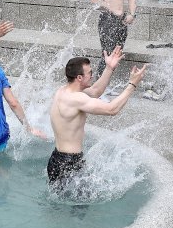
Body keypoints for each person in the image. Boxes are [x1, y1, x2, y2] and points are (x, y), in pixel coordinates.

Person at [48, 48, 147, 186]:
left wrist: (109, 68)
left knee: (60, 205)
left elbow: (95, 91)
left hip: (56, 159)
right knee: (78, 207)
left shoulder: (63, 91)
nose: (92, 76)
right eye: (90, 73)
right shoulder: (77, 99)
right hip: (69, 163)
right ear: (79, 78)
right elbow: (112, 109)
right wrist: (132, 84)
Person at [90, 0, 136, 78]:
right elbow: (95, 0)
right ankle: (98, 84)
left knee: (117, 53)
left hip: (122, 21)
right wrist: (112, 10)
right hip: (107, 20)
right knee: (107, 54)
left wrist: (132, 14)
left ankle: (106, 84)